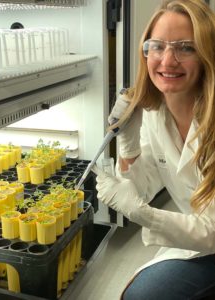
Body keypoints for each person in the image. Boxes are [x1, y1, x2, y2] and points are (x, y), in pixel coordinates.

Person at [92, 0, 215, 299]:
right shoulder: (155, 113)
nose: (167, 60)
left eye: (185, 47)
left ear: (207, 54)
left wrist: (142, 214)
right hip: (198, 237)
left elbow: (212, 231)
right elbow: (143, 186)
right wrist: (128, 140)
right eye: (157, 46)